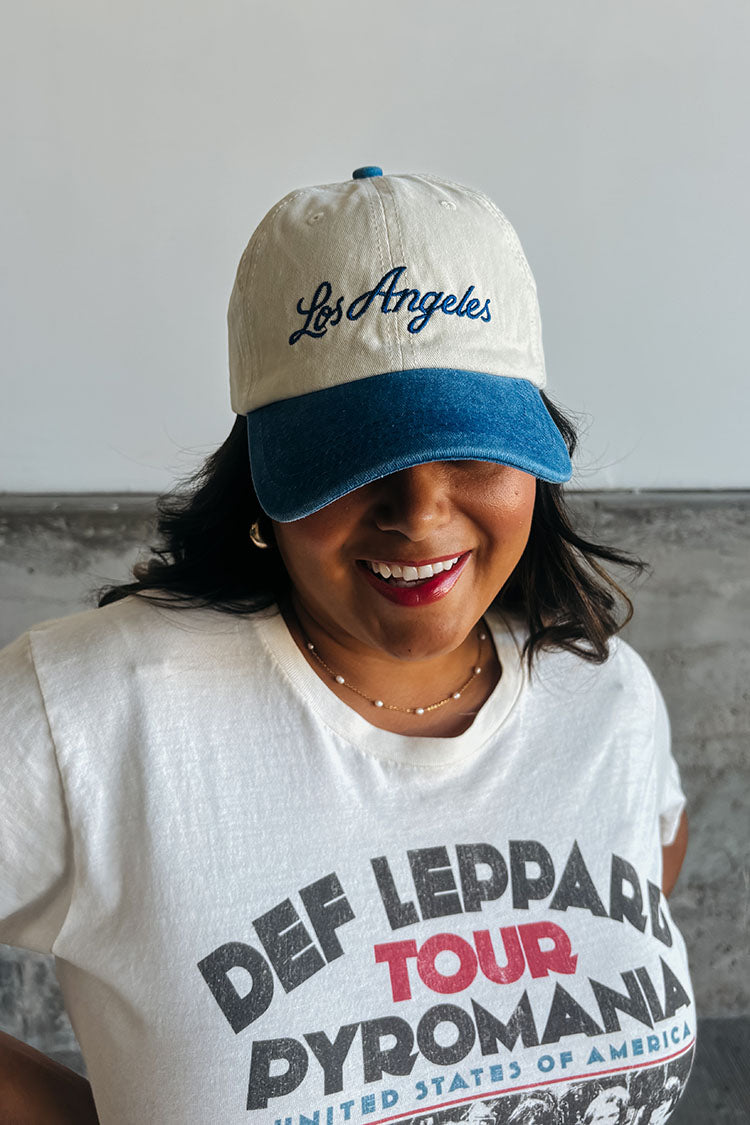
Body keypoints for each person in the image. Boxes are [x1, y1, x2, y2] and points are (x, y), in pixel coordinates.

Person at [0, 167, 695, 1124]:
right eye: (356, 457)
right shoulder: (98, 707)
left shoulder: (604, 693)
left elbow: (648, 847)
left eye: (470, 447)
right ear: (260, 479)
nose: (420, 512)